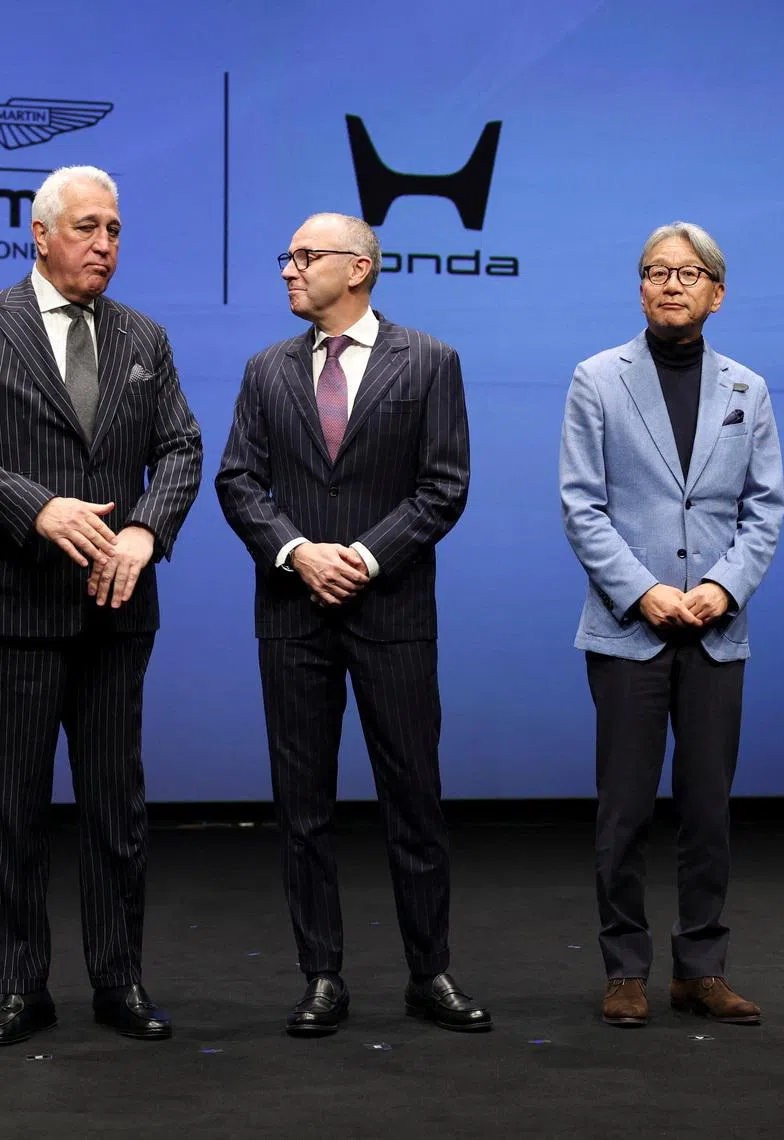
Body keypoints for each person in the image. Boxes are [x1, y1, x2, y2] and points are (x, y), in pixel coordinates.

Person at [216, 212, 490, 1036]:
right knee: (302, 807)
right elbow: (238, 482)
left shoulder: (430, 361)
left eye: (305, 256)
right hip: (293, 615)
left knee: (415, 800)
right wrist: (300, 553)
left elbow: (443, 487)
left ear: (360, 267)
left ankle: (429, 971)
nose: (289, 270)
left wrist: (362, 559)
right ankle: (321, 974)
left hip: (392, 613)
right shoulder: (266, 370)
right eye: (287, 255)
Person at [559, 221, 784, 1027]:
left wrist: (723, 589)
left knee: (707, 808)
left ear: (717, 292)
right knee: (623, 811)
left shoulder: (746, 390)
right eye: (655, 272)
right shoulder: (598, 378)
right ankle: (625, 968)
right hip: (631, 628)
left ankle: (701, 967)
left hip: (716, 631)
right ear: (641, 287)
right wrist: (644, 590)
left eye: (688, 274)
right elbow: (582, 506)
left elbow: (764, 512)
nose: (670, 285)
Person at [0, 166, 202, 1045]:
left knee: (116, 807)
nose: (105, 245)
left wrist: (146, 533)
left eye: (115, 230)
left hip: (119, 612)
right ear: (39, 235)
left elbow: (184, 449)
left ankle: (119, 980)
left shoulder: (143, 338)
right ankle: (19, 984)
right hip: (19, 610)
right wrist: (32, 506)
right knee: (13, 808)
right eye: (88, 228)